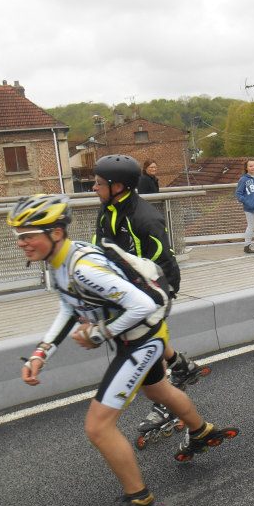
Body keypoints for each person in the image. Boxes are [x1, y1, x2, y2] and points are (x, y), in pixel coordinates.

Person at [8, 194, 237, 506]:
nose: (21, 243)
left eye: (27, 235)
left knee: (98, 427)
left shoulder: (82, 266)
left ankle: (139, 500)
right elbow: (70, 308)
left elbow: (141, 304)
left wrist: (101, 333)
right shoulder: (59, 262)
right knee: (158, 390)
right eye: (17, 236)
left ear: (55, 231)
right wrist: (42, 352)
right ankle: (202, 431)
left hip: (140, 340)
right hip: (138, 336)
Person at [92, 154, 207, 442]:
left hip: (155, 291)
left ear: (117, 186)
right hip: (128, 291)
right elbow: (100, 251)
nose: (93, 188)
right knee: (150, 339)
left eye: (97, 183)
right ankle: (181, 365)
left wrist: (150, 301)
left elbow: (161, 263)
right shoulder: (107, 211)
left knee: (144, 346)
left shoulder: (146, 219)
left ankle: (166, 404)